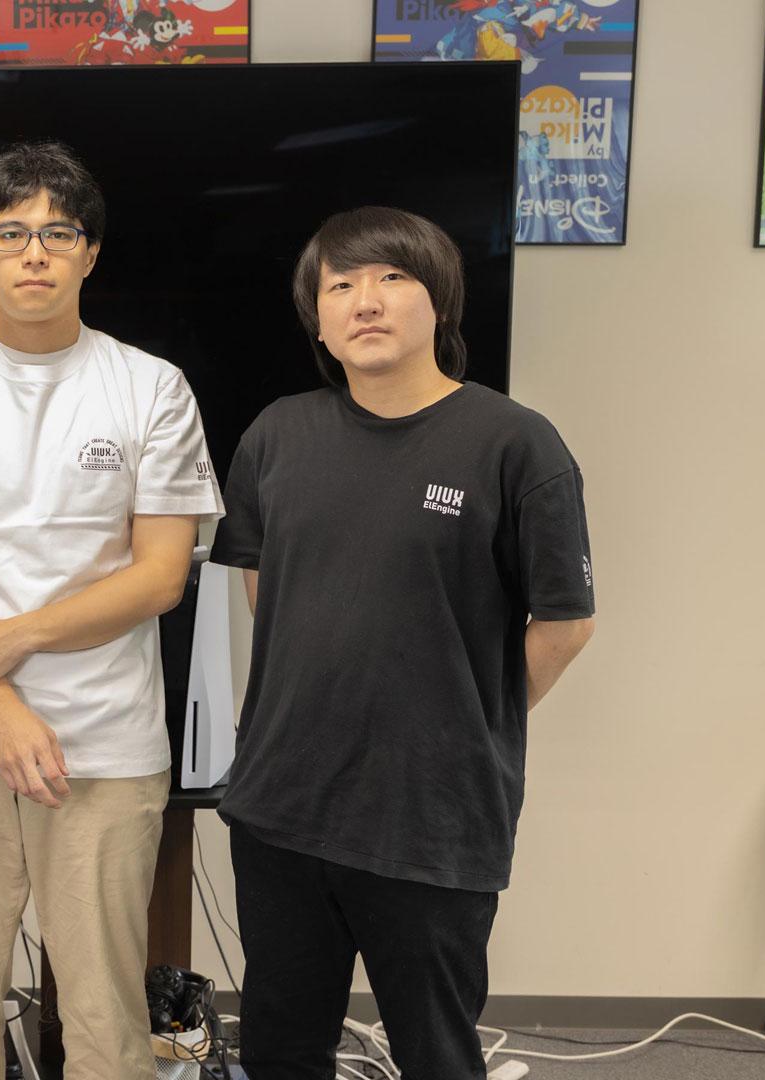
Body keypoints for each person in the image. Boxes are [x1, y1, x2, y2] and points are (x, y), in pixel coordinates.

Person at [210, 206, 597, 1080]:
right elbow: (268, 590)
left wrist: (466, 716)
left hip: (432, 815)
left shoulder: (515, 443)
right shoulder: (276, 435)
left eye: (392, 277)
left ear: (440, 302)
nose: (366, 301)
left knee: (436, 1055)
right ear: (318, 320)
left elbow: (566, 624)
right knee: (280, 1050)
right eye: (340, 285)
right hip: (280, 806)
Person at [0, 141, 221, 1079]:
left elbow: (160, 577)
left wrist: (14, 639)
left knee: (107, 1016)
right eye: (10, 232)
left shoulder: (152, 387)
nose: (34, 252)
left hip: (103, 744)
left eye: (58, 233)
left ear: (91, 252)